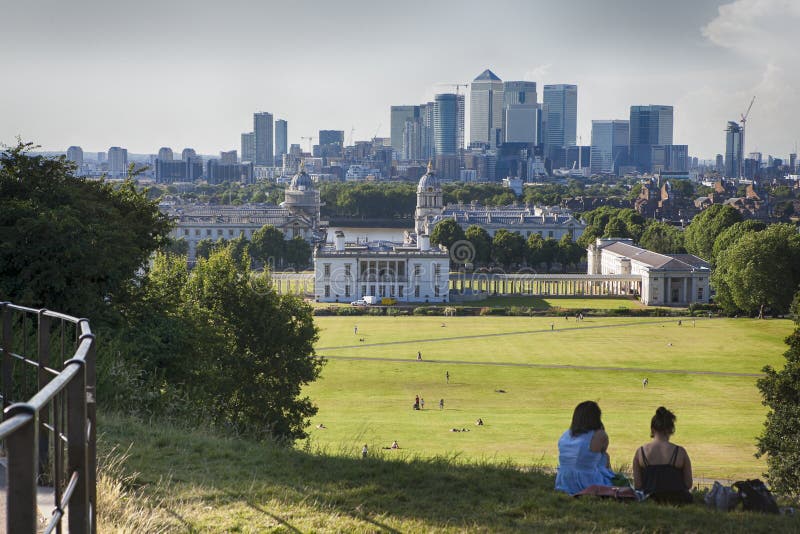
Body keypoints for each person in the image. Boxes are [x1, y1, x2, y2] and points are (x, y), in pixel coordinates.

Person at [632, 406, 693, 504]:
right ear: (671, 429)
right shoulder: (680, 452)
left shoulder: (640, 452)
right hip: (678, 501)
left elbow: (638, 486)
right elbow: (688, 484)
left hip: (650, 500)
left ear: (652, 429)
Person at [555, 401, 615, 495]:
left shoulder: (565, 434)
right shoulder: (599, 435)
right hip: (585, 481)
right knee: (604, 456)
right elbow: (603, 451)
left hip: (563, 480)